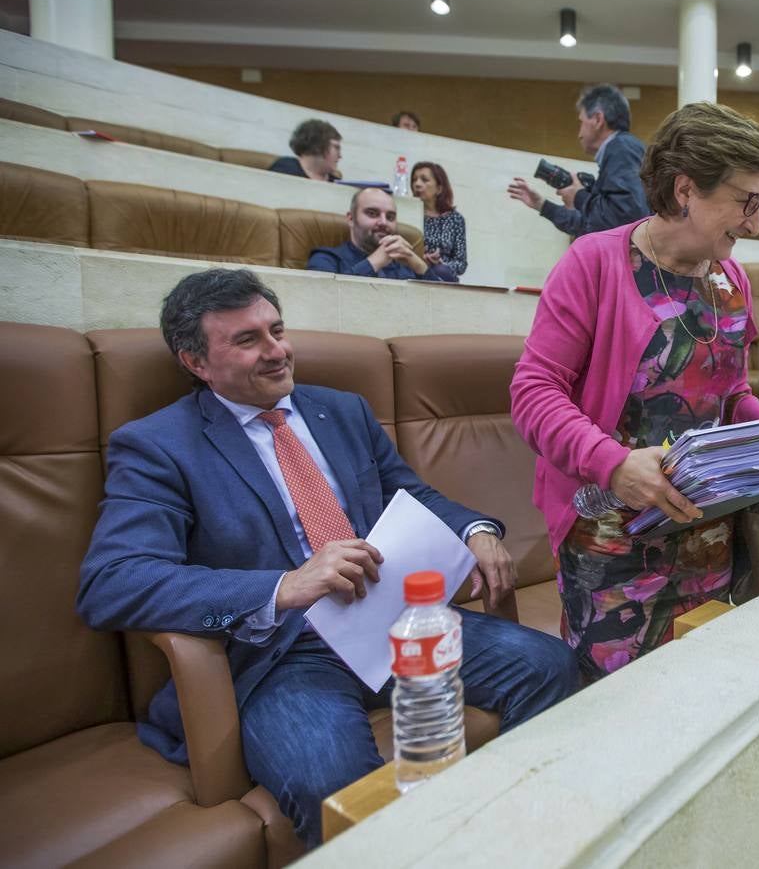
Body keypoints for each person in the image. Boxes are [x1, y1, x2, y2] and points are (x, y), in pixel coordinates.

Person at [76, 268, 578, 849]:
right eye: (247, 341)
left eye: (277, 330)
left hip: (389, 621)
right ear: (195, 363)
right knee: (338, 788)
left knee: (550, 666)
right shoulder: (159, 444)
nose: (277, 352)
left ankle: (515, 839)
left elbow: (408, 493)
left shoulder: (340, 410)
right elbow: (113, 582)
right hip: (285, 655)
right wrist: (282, 586)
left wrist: (476, 528)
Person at [511, 102, 759, 681]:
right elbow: (533, 392)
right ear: (686, 189)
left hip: (708, 530)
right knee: (617, 711)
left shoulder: (732, 280)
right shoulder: (594, 263)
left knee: (698, 696)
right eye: (746, 202)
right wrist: (612, 464)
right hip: (610, 539)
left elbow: (727, 390)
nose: (755, 224)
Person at [507, 84, 649, 237]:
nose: (579, 133)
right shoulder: (621, 149)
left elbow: (627, 218)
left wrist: (579, 196)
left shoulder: (621, 148)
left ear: (597, 119)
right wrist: (542, 205)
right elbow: (593, 226)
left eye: (581, 122)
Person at [306, 188, 458, 282]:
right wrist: (373, 263)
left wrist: (419, 266)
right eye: (372, 213)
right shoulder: (325, 259)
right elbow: (324, 302)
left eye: (390, 217)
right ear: (351, 219)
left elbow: (440, 308)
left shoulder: (405, 265)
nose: (383, 222)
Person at [411, 161, 467, 282]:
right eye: (414, 180)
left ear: (439, 188)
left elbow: (461, 264)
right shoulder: (408, 214)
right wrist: (420, 259)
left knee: (440, 271)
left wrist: (441, 263)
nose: (417, 184)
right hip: (412, 271)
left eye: (424, 180)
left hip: (443, 275)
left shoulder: (455, 219)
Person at [269, 118, 341, 182]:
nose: (340, 156)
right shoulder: (285, 169)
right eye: (336, 148)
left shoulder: (336, 183)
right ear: (317, 146)